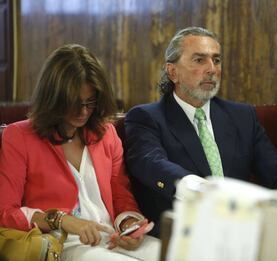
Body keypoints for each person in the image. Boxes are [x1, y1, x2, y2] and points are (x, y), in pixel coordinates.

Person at [124, 26, 277, 236]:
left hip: (242, 230)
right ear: (173, 72)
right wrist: (204, 191)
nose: (212, 69)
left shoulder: (242, 116)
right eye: (199, 60)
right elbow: (151, 163)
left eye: (216, 60)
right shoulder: (147, 118)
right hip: (185, 233)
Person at [0, 44, 160, 260]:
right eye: (74, 103)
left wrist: (129, 224)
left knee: (179, 254)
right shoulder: (19, 136)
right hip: (63, 242)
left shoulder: (106, 133)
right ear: (53, 98)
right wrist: (61, 219)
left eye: (90, 102)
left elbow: (121, 195)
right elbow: (5, 212)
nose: (83, 112)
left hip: (109, 236)